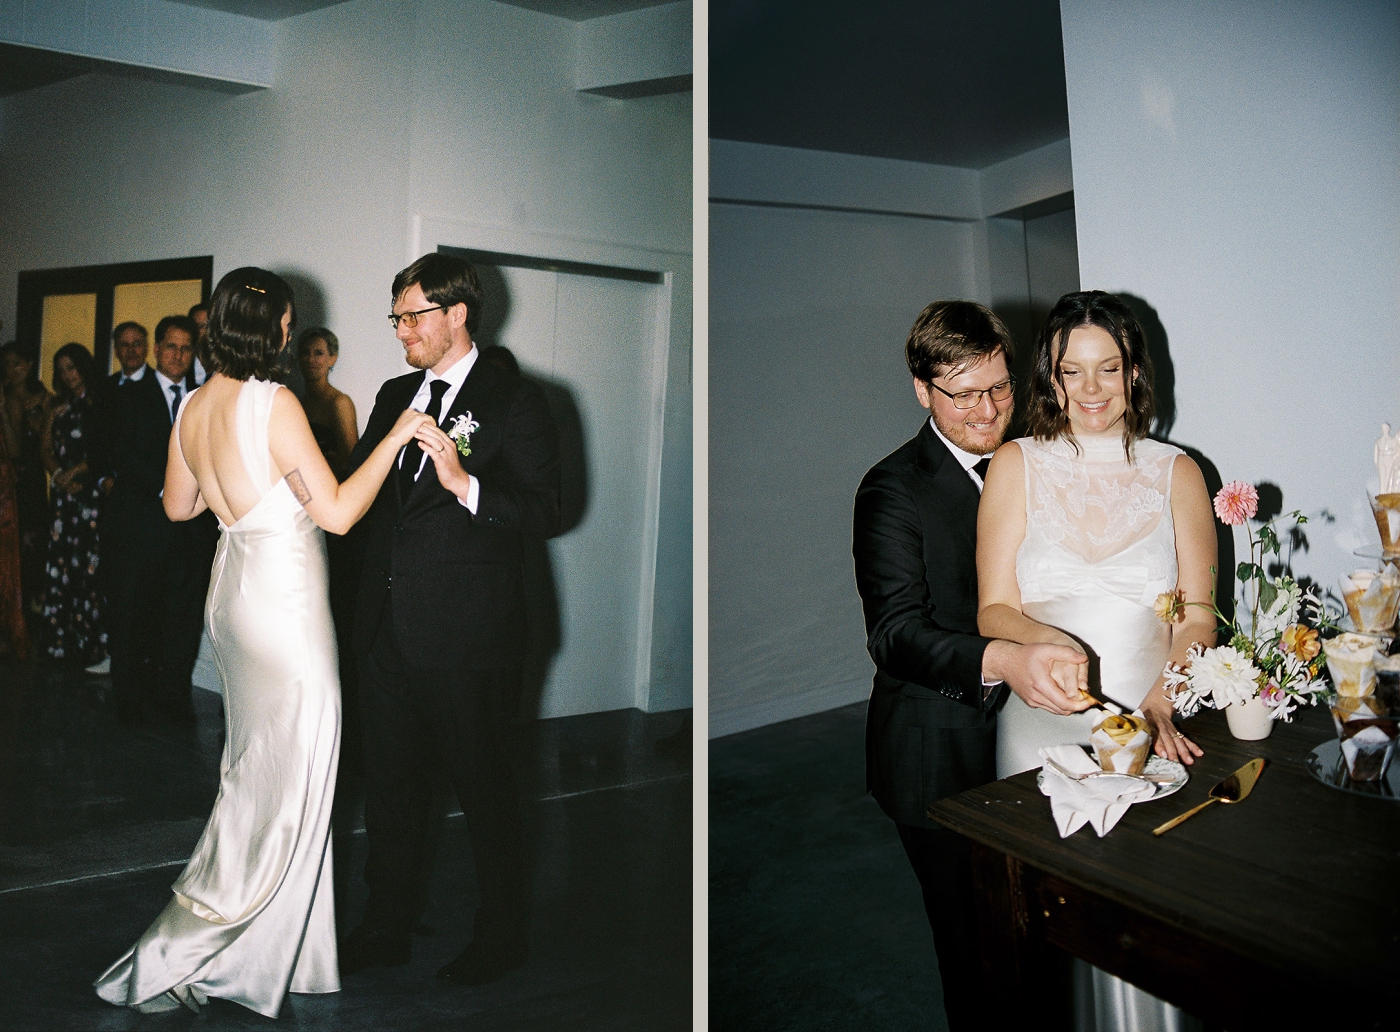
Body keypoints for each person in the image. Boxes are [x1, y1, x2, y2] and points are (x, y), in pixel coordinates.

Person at [93, 267, 434, 1017]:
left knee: (253, 776)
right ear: (277, 328)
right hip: (283, 607)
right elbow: (341, 515)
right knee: (293, 777)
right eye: (287, 321)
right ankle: (194, 948)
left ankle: (271, 952)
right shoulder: (274, 402)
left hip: (233, 596)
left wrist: (239, 494)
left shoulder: (194, 408)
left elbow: (179, 508)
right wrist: (400, 434)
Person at [977, 289, 1217, 1030]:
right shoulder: (1016, 463)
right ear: (1050, 378)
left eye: (1107, 370)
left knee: (1150, 913)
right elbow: (991, 608)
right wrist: (1047, 644)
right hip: (1042, 717)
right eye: (1071, 372)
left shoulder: (1180, 472)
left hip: (1152, 716)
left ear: (1135, 373)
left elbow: (1200, 615)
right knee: (1050, 921)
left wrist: (1161, 699)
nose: (1090, 391)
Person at [852, 300, 1093, 1032]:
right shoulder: (892, 488)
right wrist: (1005, 659)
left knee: (1050, 932)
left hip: (1043, 738)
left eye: (1000, 387)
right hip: (936, 747)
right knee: (976, 950)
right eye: (964, 394)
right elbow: (893, 634)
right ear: (922, 390)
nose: (988, 411)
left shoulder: (1037, 463)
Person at [339, 252, 560, 986]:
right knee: (393, 786)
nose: (400, 329)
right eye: (396, 317)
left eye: (412, 315)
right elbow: (365, 500)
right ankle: (385, 925)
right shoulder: (394, 392)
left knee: (484, 787)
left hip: (470, 635)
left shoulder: (517, 399)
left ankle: (502, 936)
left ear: (456, 314)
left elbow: (550, 508)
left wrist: (466, 484)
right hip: (386, 630)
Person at [98, 316, 216, 724]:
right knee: (132, 615)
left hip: (191, 533)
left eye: (186, 348)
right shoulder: (128, 395)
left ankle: (172, 699)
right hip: (140, 527)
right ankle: (128, 701)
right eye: (171, 346)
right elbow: (123, 453)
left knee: (181, 618)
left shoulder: (204, 397)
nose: (178, 355)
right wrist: (171, 491)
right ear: (156, 348)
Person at [37, 342, 106, 665]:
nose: (68, 375)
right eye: (62, 369)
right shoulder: (57, 405)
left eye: (72, 367)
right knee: (61, 565)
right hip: (64, 496)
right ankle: (58, 643)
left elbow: (102, 451)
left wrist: (76, 474)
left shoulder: (99, 402)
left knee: (88, 569)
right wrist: (59, 476)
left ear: (83, 367)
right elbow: (45, 449)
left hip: (90, 495)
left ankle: (90, 643)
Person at [0, 340, 51, 620]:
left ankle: (32, 609)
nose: (12, 369)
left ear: (29, 365)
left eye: (17, 362)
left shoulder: (42, 396)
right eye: (7, 364)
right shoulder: (6, 398)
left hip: (32, 478)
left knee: (33, 541)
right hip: (10, 479)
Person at [296, 327, 358, 478]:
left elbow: (351, 461)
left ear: (332, 359)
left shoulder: (339, 403)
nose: (311, 359)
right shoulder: (297, 403)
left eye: (318, 353)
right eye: (305, 352)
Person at [0, 382, 26, 658]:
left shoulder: (11, 402)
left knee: (3, 567)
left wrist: (2, 410)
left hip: (3, 493)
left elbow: (16, 450)